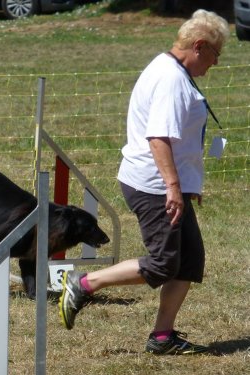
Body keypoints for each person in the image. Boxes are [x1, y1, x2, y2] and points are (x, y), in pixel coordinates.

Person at [58, 9, 230, 355]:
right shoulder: (170, 79)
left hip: (167, 184)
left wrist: (186, 183)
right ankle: (83, 283)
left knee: (190, 259)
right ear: (199, 46)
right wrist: (173, 187)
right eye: (215, 55)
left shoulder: (171, 68)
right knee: (165, 262)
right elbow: (158, 138)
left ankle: (162, 337)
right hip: (155, 186)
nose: (215, 64)